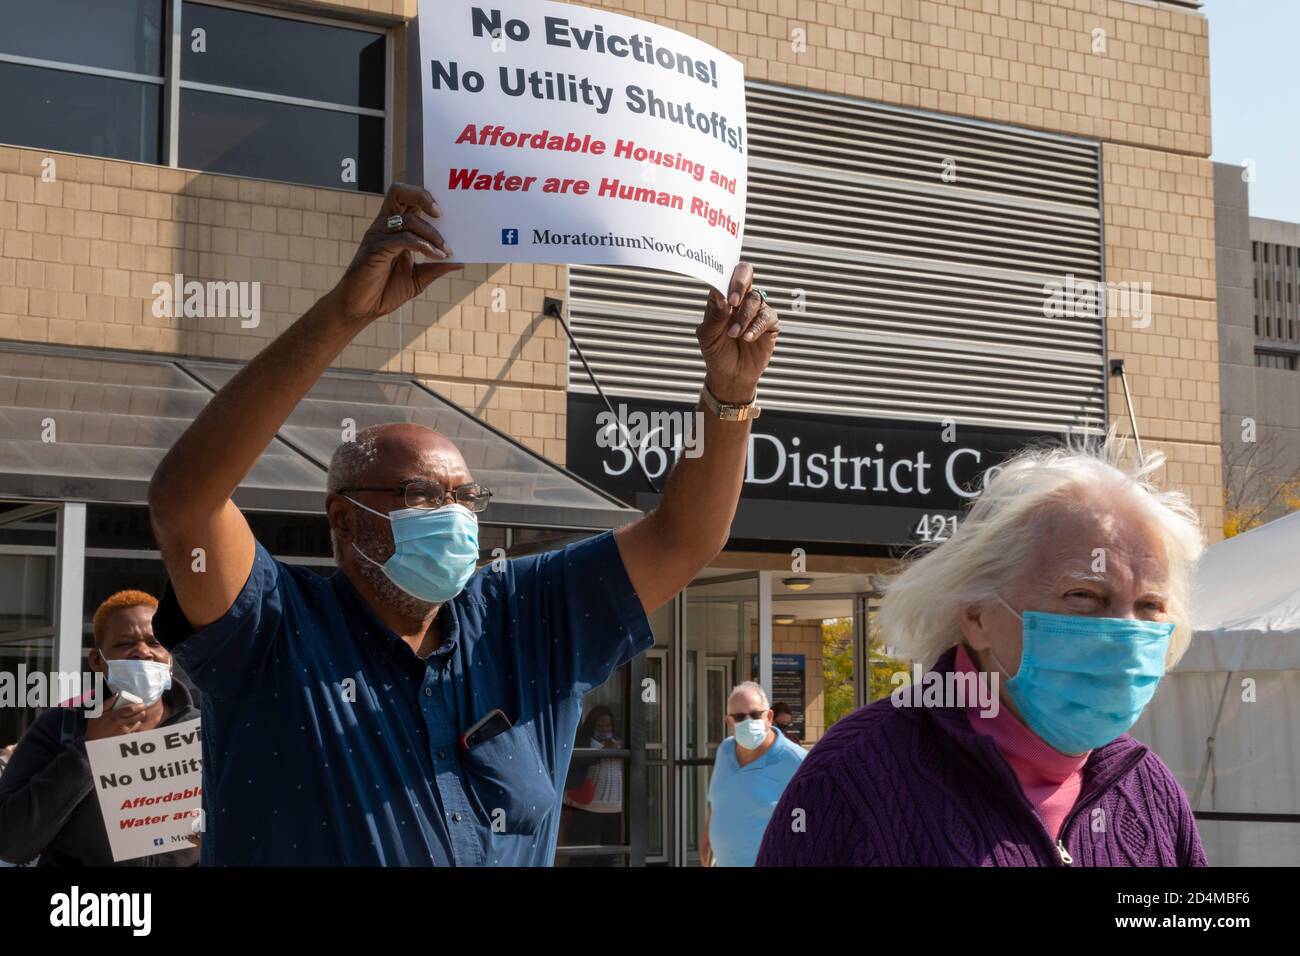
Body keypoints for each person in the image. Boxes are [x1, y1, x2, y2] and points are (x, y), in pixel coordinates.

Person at [146, 182, 781, 865]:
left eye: (465, 497)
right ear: (344, 517)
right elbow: (187, 504)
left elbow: (683, 539)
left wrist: (729, 396)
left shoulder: (522, 617)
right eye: (420, 495)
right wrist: (343, 315)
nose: (451, 516)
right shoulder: (274, 628)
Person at [757, 443, 1209, 867]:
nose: (1125, 632)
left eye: (1150, 605)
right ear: (977, 615)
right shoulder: (857, 774)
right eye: (1083, 595)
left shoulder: (1148, 789)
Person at [0, 591, 200, 867]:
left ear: (170, 657)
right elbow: (11, 842)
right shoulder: (59, 727)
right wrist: (88, 753)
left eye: (154, 642)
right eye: (125, 644)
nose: (142, 652)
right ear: (97, 661)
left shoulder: (205, 732)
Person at [701, 681, 806, 867]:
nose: (749, 722)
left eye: (756, 715)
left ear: (769, 717)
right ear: (729, 722)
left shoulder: (798, 762)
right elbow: (715, 804)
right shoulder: (725, 751)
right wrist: (706, 848)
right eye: (740, 717)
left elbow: (809, 827)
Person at [559, 705, 624, 861]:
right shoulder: (583, 742)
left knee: (608, 856)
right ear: (592, 725)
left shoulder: (619, 743)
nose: (604, 729)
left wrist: (621, 753)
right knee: (583, 857)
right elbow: (574, 764)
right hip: (585, 808)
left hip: (614, 808)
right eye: (600, 726)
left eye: (608, 726)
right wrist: (603, 752)